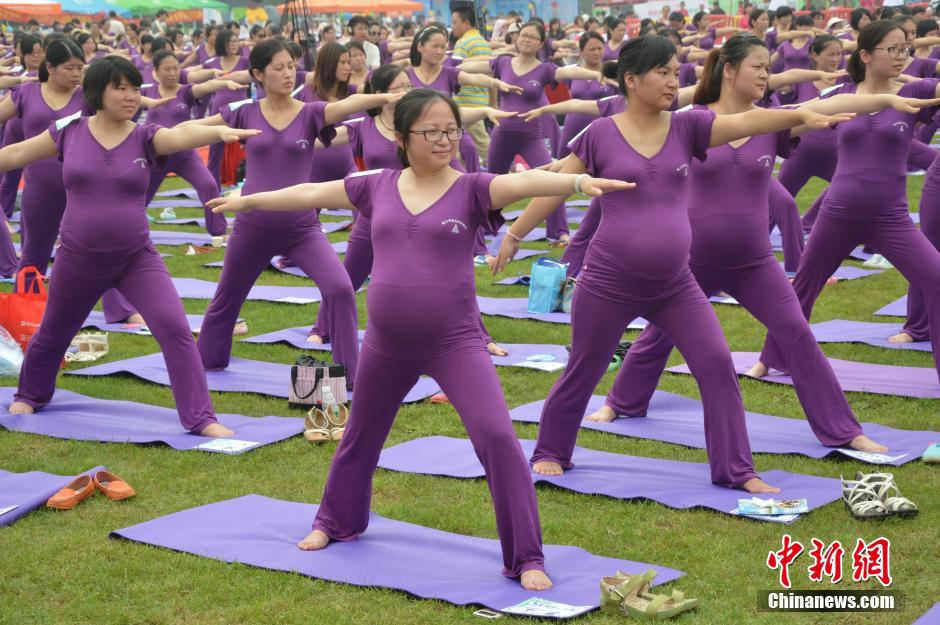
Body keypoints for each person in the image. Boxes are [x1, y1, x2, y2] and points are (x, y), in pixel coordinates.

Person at [207, 87, 630, 591]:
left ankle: (527, 555)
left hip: (454, 342)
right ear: (403, 138)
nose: (445, 139)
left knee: (497, 437)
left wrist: (579, 180)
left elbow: (530, 181)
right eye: (432, 131)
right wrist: (248, 198)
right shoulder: (377, 185)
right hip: (386, 343)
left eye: (450, 129)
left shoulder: (473, 189)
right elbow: (309, 194)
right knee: (361, 436)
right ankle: (334, 521)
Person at [493, 35, 857, 493]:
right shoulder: (602, 133)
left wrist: (801, 114)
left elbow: (748, 119)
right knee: (585, 367)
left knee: (716, 363)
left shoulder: (687, 128)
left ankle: (736, 469)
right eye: (661, 72)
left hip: (674, 283)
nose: (673, 80)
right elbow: (555, 184)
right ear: (631, 79)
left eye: (673, 71)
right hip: (608, 281)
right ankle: (551, 450)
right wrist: (513, 234)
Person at [581, 34, 915, 454]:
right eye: (757, 66)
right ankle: (620, 402)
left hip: (754, 261)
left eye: (768, 67)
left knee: (798, 335)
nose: (765, 75)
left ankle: (845, 430)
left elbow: (825, 107)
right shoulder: (692, 122)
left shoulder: (770, 122)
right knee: (658, 336)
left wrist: (885, 101)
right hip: (694, 260)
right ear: (730, 70)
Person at [2, 56, 258, 436]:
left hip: (136, 258)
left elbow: (180, 134)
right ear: (98, 92)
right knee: (54, 333)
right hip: (78, 258)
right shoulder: (68, 130)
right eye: (120, 88)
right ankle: (32, 393)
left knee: (174, 330)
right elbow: (16, 154)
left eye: (135, 88)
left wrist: (215, 132)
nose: (130, 96)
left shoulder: (145, 136)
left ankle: (201, 418)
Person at [186, 39, 399, 381]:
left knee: (341, 288)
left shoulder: (310, 112)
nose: (288, 74)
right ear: (258, 74)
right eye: (278, 68)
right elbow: (197, 128)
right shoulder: (244, 111)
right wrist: (160, 135)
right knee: (227, 298)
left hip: (301, 227)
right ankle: (207, 363)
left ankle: (350, 373)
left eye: (291, 67)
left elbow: (349, 104)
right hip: (252, 226)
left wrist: (386, 98)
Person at [749, 20, 940, 379]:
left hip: (891, 216)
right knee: (805, 284)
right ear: (866, 54)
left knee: (937, 280)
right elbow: (793, 118)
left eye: (906, 50)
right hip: (838, 212)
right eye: (893, 49)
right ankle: (771, 357)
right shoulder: (843, 93)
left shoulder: (918, 91)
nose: (902, 57)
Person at [307, 64, 515, 355]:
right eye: (398, 87)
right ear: (379, 93)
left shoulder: (420, 126)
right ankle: (321, 329)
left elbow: (457, 118)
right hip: (377, 215)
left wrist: (485, 112)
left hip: (425, 215)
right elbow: (314, 141)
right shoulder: (362, 128)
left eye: (408, 84)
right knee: (348, 277)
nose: (406, 91)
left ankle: (479, 335)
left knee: (454, 277)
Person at [141, 50, 244, 235]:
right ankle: (130, 233)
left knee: (209, 185)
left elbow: (205, 86)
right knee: (140, 198)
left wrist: (224, 83)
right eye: (167, 69)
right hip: (155, 156)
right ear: (156, 71)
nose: (173, 73)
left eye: (175, 68)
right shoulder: (148, 92)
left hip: (184, 155)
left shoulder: (185, 91)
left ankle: (218, 230)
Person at [451, 6, 493, 165]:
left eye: (455, 22)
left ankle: (502, 170)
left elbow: (454, 74)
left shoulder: (462, 43)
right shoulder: (483, 41)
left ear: (466, 23)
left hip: (465, 101)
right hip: (481, 98)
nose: (453, 26)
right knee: (463, 143)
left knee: (480, 142)